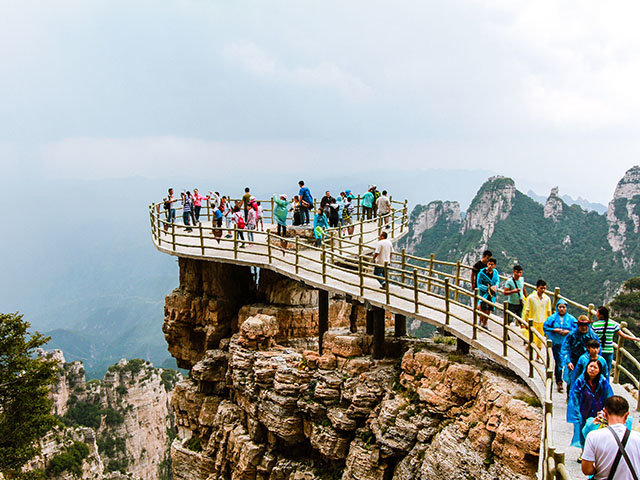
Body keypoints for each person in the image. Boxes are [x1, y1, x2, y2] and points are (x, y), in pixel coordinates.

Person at [582, 395, 640, 479]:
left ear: (605, 413)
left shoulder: (593, 436)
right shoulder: (638, 437)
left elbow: (586, 470)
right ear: (627, 415)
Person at [567, 359, 613, 451]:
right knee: (583, 431)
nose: (592, 369)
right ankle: (583, 452)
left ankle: (593, 453)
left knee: (596, 432)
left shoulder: (603, 382)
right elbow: (574, 396)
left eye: (595, 367)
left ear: (599, 370)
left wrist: (606, 410)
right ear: (586, 368)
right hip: (583, 410)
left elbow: (609, 396)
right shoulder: (580, 381)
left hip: (598, 411)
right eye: (590, 366)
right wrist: (576, 411)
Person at [592, 306, 640, 374]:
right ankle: (606, 383)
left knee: (597, 370)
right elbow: (623, 335)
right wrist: (636, 338)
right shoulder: (612, 324)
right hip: (609, 351)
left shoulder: (595, 325)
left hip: (598, 351)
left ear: (600, 315)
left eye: (597, 312)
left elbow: (591, 337)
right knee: (607, 371)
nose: (596, 314)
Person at [543, 299, 578, 392]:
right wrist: (554, 330)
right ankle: (559, 381)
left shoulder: (571, 319)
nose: (562, 309)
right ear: (557, 308)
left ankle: (569, 381)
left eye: (563, 307)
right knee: (558, 362)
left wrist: (569, 332)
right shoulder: (552, 318)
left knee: (568, 362)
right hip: (556, 343)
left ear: (566, 308)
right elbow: (545, 327)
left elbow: (578, 328)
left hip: (567, 344)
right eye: (560, 307)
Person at [562, 315, 601, 392]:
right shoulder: (572, 335)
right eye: (581, 325)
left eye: (586, 325)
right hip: (574, 361)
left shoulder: (592, 336)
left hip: (588, 361)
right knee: (572, 380)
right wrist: (568, 361)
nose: (584, 328)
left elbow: (598, 349)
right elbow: (565, 349)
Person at [522, 279, 552, 351]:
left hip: (542, 321)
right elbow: (526, 310)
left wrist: (549, 322)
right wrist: (524, 321)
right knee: (532, 339)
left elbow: (548, 311)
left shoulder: (547, 299)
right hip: (533, 321)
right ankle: (528, 349)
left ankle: (538, 357)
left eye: (544, 288)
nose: (543, 290)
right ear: (537, 288)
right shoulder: (531, 297)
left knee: (540, 340)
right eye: (541, 288)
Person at [477, 258, 499, 331]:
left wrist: (495, 287)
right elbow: (479, 284)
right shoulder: (482, 273)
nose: (490, 266)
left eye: (492, 265)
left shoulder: (495, 273)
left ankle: (485, 324)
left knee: (489, 309)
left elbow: (497, 281)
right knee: (483, 308)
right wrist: (488, 288)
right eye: (489, 264)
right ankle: (480, 321)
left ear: (494, 266)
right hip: (484, 293)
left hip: (492, 294)